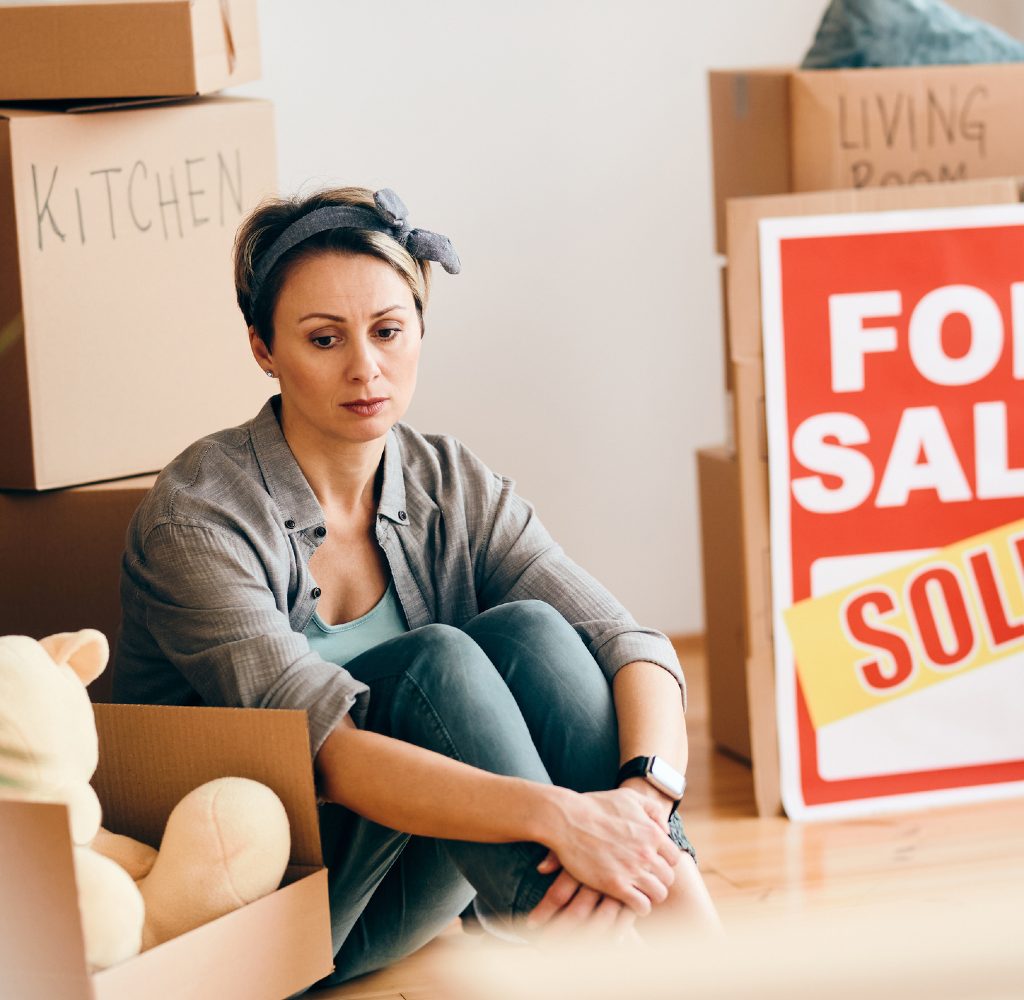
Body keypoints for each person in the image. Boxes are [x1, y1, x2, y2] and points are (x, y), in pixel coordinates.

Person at [113, 186, 719, 986]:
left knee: (535, 630)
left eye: (390, 331)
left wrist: (644, 798)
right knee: (435, 660)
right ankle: (613, 962)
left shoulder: (448, 480)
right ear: (263, 347)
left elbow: (627, 644)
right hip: (267, 914)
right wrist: (563, 817)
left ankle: (706, 958)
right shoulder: (198, 516)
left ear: (420, 332)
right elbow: (321, 753)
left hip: (422, 884)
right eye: (324, 339)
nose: (366, 367)